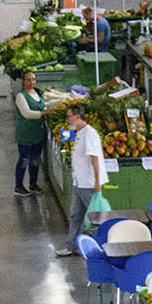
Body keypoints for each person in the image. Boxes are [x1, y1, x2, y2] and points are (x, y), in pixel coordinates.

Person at [56, 104, 108, 257]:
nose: (67, 120)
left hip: (89, 184)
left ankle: (104, 247)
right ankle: (72, 246)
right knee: (75, 216)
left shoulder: (89, 134)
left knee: (96, 218)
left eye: (69, 117)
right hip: (79, 183)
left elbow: (95, 159)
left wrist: (97, 183)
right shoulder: (79, 133)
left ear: (77, 117)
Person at [13, 71, 51, 197]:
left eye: (33, 79)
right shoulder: (21, 96)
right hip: (25, 133)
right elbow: (27, 113)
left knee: (35, 160)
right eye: (28, 79)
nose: (31, 82)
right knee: (24, 159)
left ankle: (33, 184)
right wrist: (44, 113)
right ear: (23, 81)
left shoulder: (37, 93)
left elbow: (43, 106)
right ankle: (18, 186)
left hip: (37, 132)